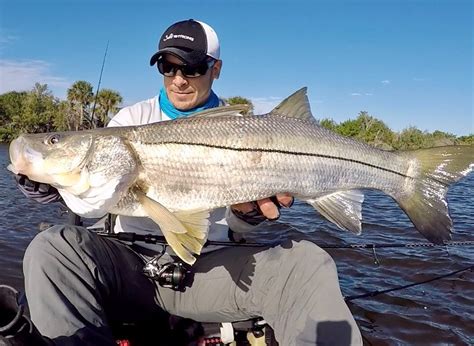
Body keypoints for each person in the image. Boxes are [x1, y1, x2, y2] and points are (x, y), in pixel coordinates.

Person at [9, 19, 362, 345]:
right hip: (129, 268)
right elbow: (98, 205)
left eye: (192, 67)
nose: (179, 79)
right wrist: (56, 192)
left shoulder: (247, 129)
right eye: (168, 67)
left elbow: (241, 228)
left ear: (216, 68)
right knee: (50, 246)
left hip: (211, 271)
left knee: (307, 263)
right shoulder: (129, 121)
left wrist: (249, 215)